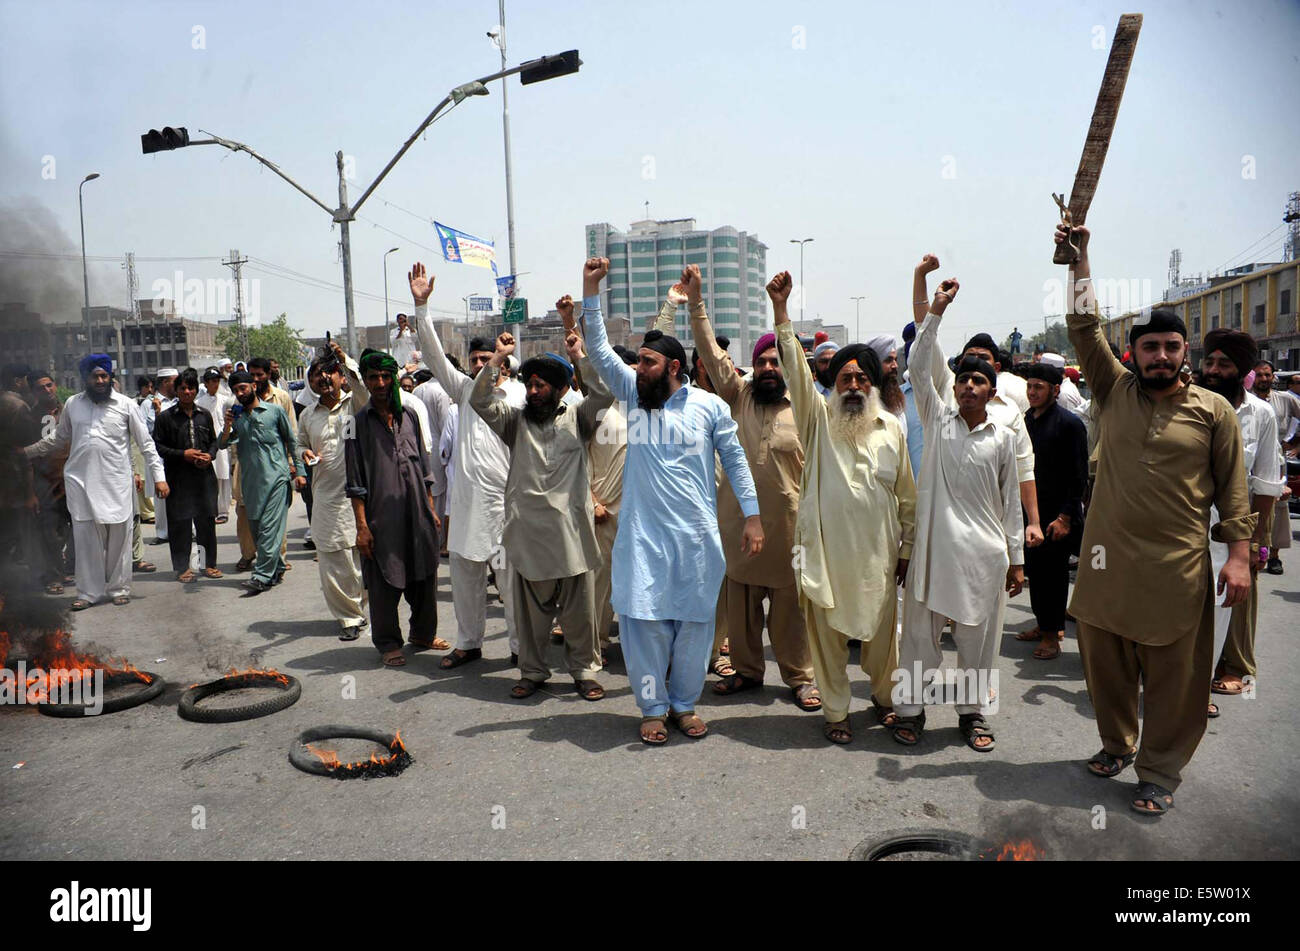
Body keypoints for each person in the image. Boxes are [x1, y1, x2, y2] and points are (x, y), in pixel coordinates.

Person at [1062, 224, 1253, 817]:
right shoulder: (1112, 390)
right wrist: (1081, 259)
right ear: (1134, 354)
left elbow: (1234, 490)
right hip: (1105, 563)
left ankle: (1160, 770)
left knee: (1175, 678)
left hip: (1177, 568)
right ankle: (1117, 744)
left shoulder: (1213, 410)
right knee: (1107, 664)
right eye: (1151, 347)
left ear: (1184, 354)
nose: (1162, 356)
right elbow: (1082, 326)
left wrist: (1241, 557)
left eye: (1172, 347)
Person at [579, 256, 763, 744]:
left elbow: (738, 461)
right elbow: (597, 349)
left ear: (673, 368)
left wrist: (753, 517)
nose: (638, 369)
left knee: (694, 628)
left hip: (696, 540)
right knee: (644, 628)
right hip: (642, 541)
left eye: (648, 362)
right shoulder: (635, 397)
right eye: (638, 361)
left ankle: (684, 704)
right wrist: (589, 291)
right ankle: (652, 707)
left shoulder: (709, 407)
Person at [769, 273, 915, 743]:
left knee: (880, 641)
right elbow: (794, 367)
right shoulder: (817, 419)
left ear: (872, 385)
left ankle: (886, 699)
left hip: (876, 558)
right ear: (834, 384)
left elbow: (907, 496)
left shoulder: (890, 428)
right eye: (845, 377)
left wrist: (907, 549)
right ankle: (835, 712)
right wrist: (781, 310)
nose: (853, 384)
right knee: (828, 640)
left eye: (861, 377)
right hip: (826, 557)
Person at [894, 278, 1023, 753]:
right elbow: (918, 361)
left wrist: (1017, 559)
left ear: (991, 392)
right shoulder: (935, 415)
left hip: (982, 560)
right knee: (920, 644)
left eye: (978, 381)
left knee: (977, 647)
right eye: (963, 379)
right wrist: (937, 311)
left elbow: (1011, 502)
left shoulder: (1003, 437)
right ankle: (909, 713)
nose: (969, 386)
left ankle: (973, 716)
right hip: (931, 553)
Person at [684, 265, 819, 710]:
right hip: (739, 529)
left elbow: (794, 359)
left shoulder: (804, 405)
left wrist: (780, 308)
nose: (766, 367)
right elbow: (708, 349)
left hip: (789, 532)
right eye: (760, 360)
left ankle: (800, 678)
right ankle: (746, 671)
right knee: (740, 605)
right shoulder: (737, 395)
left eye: (773, 361)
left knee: (790, 612)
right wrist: (697, 299)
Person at [470, 324, 613, 699]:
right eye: (529, 385)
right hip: (529, 534)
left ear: (559, 388)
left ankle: (584, 671)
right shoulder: (514, 421)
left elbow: (605, 393)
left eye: (540, 386)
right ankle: (533, 672)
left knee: (580, 614)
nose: (532, 392)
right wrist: (498, 359)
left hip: (572, 534)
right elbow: (479, 401)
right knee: (532, 616)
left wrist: (580, 356)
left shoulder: (580, 418)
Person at [409, 263, 524, 669]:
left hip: (507, 506)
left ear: (505, 363)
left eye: (488, 358)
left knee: (511, 582)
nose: (480, 364)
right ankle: (469, 642)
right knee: (464, 579)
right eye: (475, 359)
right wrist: (421, 308)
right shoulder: (465, 390)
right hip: (466, 504)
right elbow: (437, 358)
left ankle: (518, 649)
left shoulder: (521, 395)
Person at [912, 254, 1043, 547]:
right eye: (967, 364)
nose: (970, 381)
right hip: (940, 526)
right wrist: (923, 282)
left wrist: (1032, 523)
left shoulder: (1010, 411)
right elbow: (923, 343)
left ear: (996, 374)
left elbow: (1020, 473)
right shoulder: (943, 399)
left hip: (986, 529)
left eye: (982, 364)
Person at [24, 355, 168, 609]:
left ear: (111, 377)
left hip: (116, 483)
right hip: (81, 483)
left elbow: (146, 444)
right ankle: (88, 593)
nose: (101, 380)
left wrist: (159, 477)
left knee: (119, 540)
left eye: (104, 376)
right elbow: (58, 438)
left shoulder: (126, 405)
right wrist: (27, 452)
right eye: (95, 376)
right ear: (86, 378)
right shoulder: (73, 404)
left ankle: (118, 588)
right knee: (86, 540)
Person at [1197, 331, 1282, 709]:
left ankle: (1230, 673)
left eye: (1224, 364)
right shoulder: (1187, 404)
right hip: (1184, 526)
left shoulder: (1260, 415)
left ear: (1242, 370)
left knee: (1232, 603)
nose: (1213, 371)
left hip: (1235, 531)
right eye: (1209, 362)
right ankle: (1181, 681)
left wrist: (1258, 543)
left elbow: (1265, 483)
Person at [345, 349, 443, 666]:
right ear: (365, 380)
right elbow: (355, 481)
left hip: (417, 512)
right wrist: (362, 526)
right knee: (385, 580)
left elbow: (424, 467)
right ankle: (388, 642)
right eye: (373, 377)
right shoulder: (355, 424)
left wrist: (430, 510)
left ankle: (423, 634)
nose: (381, 382)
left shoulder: (410, 415)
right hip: (380, 518)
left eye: (386, 376)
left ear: (394, 379)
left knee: (425, 574)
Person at [297, 343, 375, 641]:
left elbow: (362, 387)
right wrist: (304, 454)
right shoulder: (308, 415)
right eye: (316, 375)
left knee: (363, 560)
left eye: (328, 372)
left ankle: (361, 606)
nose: (323, 378)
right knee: (333, 561)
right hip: (327, 497)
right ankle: (349, 617)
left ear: (340, 376)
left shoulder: (356, 404)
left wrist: (344, 360)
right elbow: (301, 443)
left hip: (362, 495)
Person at [1017, 362, 1088, 660]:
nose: (1032, 392)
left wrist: (1065, 517)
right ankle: (1043, 623)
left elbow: (1078, 476)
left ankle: (1051, 636)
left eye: (1038, 387)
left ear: (1055, 390)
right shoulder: (1027, 420)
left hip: (1058, 515)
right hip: (1032, 512)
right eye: (1030, 386)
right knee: (1035, 570)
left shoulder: (1069, 424)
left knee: (1053, 576)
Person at [219, 368, 301, 594]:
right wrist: (227, 426)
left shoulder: (274, 412)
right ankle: (277, 569)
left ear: (253, 387)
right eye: (236, 390)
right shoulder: (238, 418)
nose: (240, 393)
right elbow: (221, 445)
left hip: (277, 480)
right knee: (256, 528)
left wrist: (300, 472)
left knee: (268, 530)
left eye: (243, 388)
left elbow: (292, 443)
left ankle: (261, 576)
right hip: (252, 485)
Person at [153, 368, 222, 581]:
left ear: (195, 390)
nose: (187, 392)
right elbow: (158, 447)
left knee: (206, 524)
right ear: (176, 390)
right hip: (178, 477)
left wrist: (209, 456)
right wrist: (184, 454)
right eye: (182, 388)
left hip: (204, 477)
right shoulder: (166, 418)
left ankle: (207, 565)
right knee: (180, 525)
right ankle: (182, 567)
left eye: (191, 388)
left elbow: (213, 441)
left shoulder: (204, 414)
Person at [27, 371, 75, 593]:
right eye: (40, 388)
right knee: (50, 532)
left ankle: (70, 569)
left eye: (49, 385)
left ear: (55, 386)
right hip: (45, 484)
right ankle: (54, 576)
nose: (46, 390)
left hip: (73, 481)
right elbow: (25, 457)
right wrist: (31, 492)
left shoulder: (70, 411)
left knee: (77, 528)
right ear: (33, 392)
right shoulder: (29, 418)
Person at [1252, 360, 1299, 574]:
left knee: (1279, 506)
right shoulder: (1244, 399)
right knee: (1253, 506)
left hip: (1277, 459)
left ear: (1273, 377)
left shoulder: (1286, 400)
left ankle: (1274, 556)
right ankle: (1254, 550)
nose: (1263, 379)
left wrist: (1296, 447)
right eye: (1259, 375)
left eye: (1267, 375)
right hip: (1251, 459)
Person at [140, 368, 178, 544]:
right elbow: (145, 432)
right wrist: (158, 413)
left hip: (178, 452)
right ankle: (163, 532)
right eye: (174, 381)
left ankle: (188, 529)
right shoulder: (148, 404)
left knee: (182, 491)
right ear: (165, 383)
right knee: (161, 495)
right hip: (159, 454)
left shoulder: (179, 401)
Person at [197, 368, 235, 522]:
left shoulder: (225, 400)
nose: (215, 384)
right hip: (207, 442)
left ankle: (223, 510)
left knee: (224, 474)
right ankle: (211, 508)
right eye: (212, 381)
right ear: (205, 383)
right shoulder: (199, 402)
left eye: (217, 381)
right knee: (211, 476)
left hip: (223, 439)